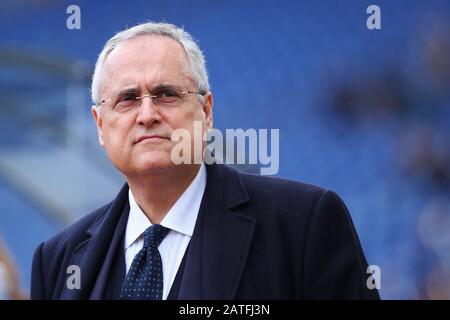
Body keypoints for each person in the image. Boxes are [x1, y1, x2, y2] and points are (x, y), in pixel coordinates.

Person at [30, 22, 379, 300]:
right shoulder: (56, 260)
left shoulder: (304, 224)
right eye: (127, 99)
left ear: (206, 112)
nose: (147, 114)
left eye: (166, 94)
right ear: (100, 125)